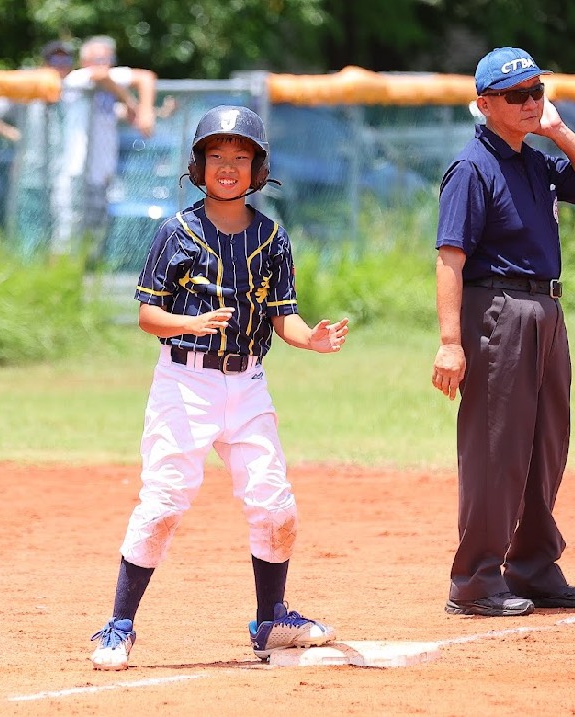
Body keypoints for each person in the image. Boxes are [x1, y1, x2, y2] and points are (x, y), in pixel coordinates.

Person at [88, 105, 351, 670]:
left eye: (239, 157)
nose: (227, 167)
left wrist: (312, 340)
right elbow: (147, 316)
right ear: (198, 166)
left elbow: (284, 317)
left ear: (258, 169)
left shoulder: (273, 237)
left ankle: (272, 620)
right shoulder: (175, 233)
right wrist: (191, 323)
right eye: (216, 156)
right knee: (163, 503)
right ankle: (118, 626)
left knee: (274, 503)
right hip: (185, 383)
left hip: (248, 384)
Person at [431, 47, 575, 617]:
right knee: (496, 449)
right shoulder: (471, 168)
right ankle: (475, 580)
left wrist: (558, 131)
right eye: (517, 95)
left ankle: (533, 567)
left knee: (545, 443)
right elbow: (450, 259)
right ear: (485, 104)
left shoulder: (536, 162)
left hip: (546, 310)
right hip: (498, 311)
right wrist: (450, 343)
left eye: (537, 91)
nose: (531, 102)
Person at [54, 35, 157, 255]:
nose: (105, 64)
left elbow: (146, 77)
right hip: (76, 171)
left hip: (102, 174)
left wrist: (146, 110)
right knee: (68, 234)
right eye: (99, 59)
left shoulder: (110, 80)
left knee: (96, 235)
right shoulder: (78, 78)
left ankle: (88, 272)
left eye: (109, 59)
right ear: (85, 61)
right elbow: (100, 76)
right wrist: (131, 102)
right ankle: (62, 273)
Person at [0, 40, 75, 245]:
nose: (60, 66)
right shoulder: (28, 90)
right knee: (29, 233)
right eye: (55, 60)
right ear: (44, 63)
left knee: (61, 235)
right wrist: (12, 133)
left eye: (66, 61)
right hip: (31, 175)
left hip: (63, 177)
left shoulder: (76, 92)